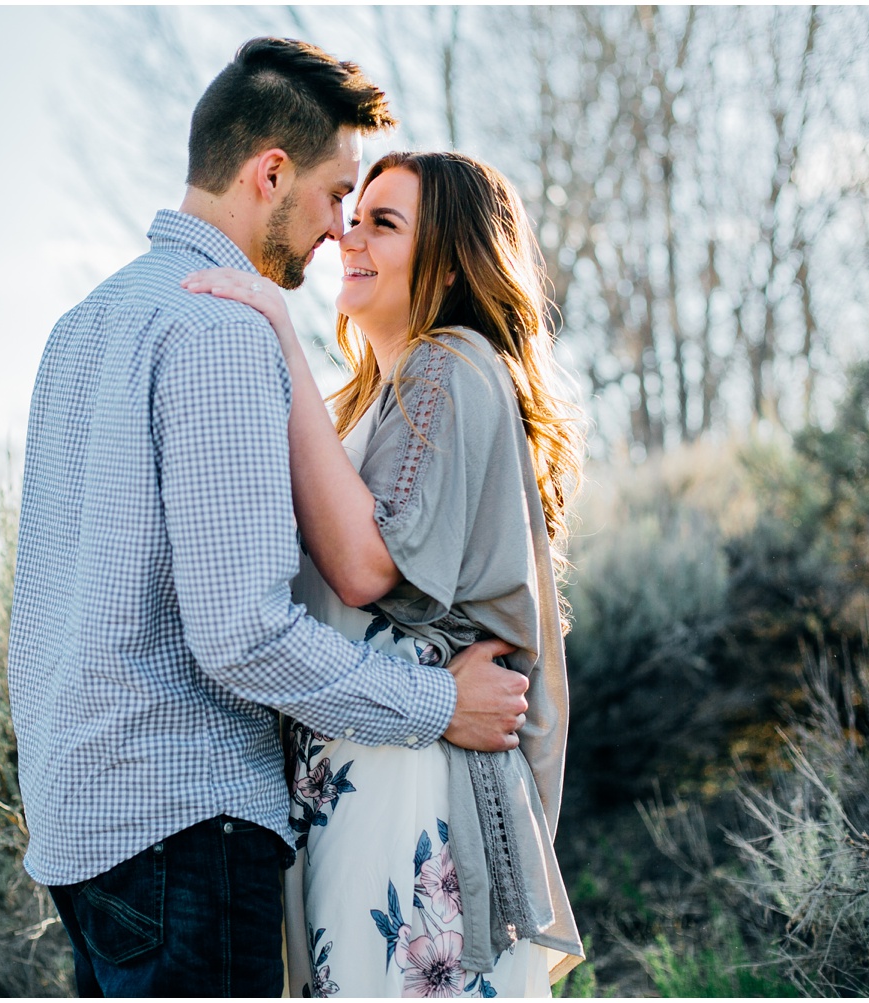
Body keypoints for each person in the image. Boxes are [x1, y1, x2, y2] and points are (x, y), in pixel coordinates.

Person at [8, 38, 533, 997]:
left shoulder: (82, 325)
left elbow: (43, 597)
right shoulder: (220, 331)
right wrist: (440, 704)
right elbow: (244, 634)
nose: (339, 231)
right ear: (272, 172)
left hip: (82, 833)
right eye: (338, 195)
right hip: (185, 831)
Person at [182, 151, 588, 996]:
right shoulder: (381, 395)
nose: (346, 236)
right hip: (369, 761)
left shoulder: (449, 364)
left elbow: (371, 571)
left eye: (382, 223)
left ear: (445, 255)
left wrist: (278, 336)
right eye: (352, 215)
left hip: (409, 784)